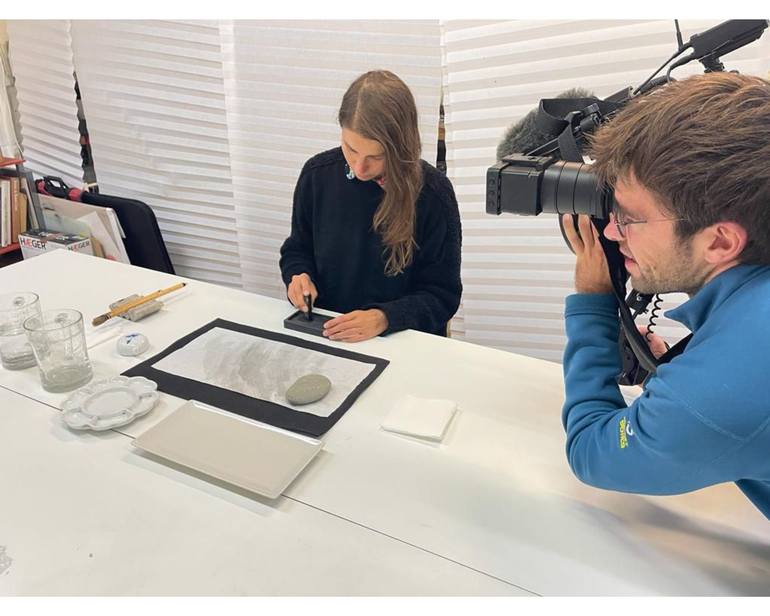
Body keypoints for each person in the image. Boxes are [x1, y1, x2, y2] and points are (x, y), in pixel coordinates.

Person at [560, 72, 770, 520]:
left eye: (629, 218)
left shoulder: (717, 395)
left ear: (720, 241)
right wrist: (683, 370)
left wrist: (593, 302)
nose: (612, 232)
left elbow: (591, 449)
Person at [279, 70, 462, 342]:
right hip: (328, 333)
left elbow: (442, 295)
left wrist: (385, 317)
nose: (359, 167)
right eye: (351, 149)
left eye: (376, 156)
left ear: (401, 147)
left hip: (400, 343)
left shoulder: (433, 195)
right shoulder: (317, 175)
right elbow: (297, 248)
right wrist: (297, 276)